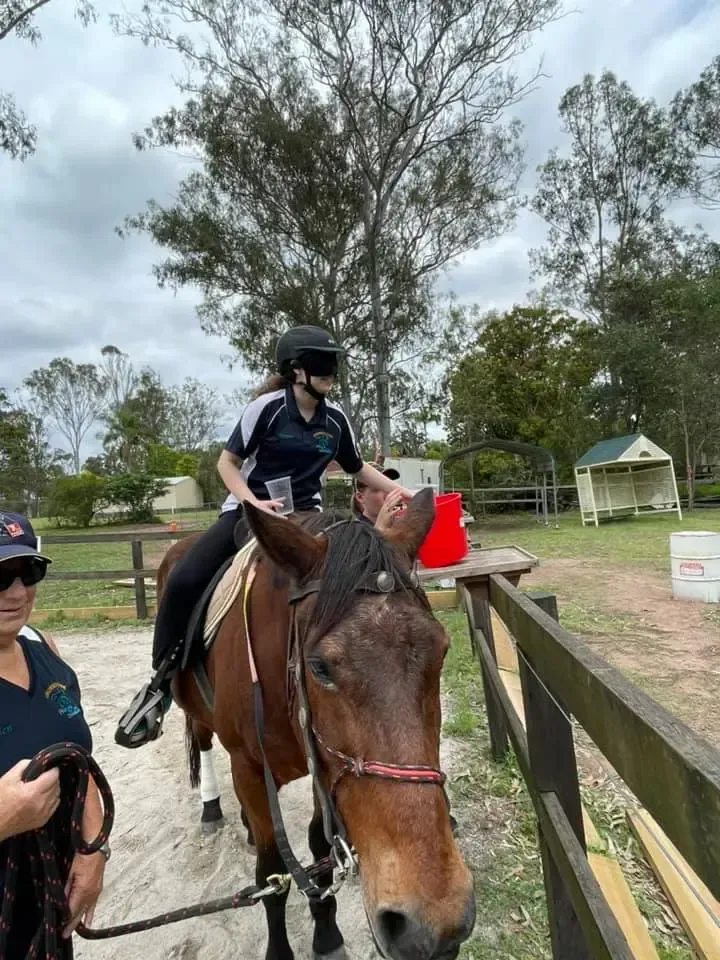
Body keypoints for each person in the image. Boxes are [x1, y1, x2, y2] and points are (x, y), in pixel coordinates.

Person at [117, 325, 412, 748]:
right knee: (183, 579)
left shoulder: (336, 418)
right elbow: (226, 464)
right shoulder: (267, 409)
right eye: (320, 363)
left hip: (308, 515)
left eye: (333, 363)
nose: (331, 371)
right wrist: (252, 502)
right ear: (295, 370)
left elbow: (356, 467)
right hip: (249, 512)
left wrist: (401, 491)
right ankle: (159, 686)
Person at [0, 512, 109, 958]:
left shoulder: (44, 650)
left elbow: (79, 764)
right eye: (0, 576)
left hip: (50, 891)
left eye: (29, 572)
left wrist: (93, 850)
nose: (17, 592)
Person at [352, 465, 407, 533]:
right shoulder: (354, 533)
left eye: (390, 487)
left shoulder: (399, 527)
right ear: (360, 497)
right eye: (378, 488)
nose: (389, 494)